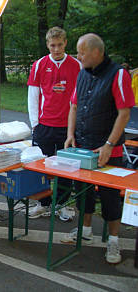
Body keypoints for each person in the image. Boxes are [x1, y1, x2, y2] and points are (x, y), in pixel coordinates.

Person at [63, 33, 135, 264]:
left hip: (108, 150)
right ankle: (85, 231)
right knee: (82, 191)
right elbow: (74, 106)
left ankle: (113, 241)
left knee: (110, 197)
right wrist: (70, 134)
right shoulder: (82, 74)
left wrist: (109, 144)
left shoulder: (118, 75)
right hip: (82, 146)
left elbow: (124, 113)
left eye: (81, 52)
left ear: (96, 52)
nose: (78, 56)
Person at [27, 26, 82, 221]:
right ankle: (43, 203)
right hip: (44, 125)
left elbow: (80, 98)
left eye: (59, 45)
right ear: (47, 45)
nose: (56, 49)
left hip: (67, 127)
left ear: (66, 43)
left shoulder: (77, 65)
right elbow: (33, 96)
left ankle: (63, 204)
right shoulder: (39, 64)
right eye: (52, 45)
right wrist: (35, 124)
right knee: (41, 167)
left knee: (66, 168)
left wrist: (76, 127)